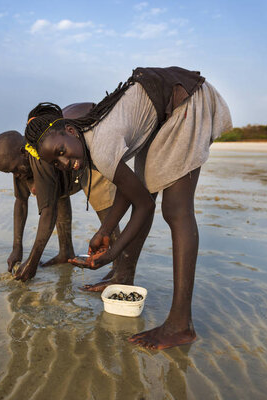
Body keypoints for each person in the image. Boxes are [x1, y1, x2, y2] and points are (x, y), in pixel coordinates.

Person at [24, 66, 232, 349]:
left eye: (61, 152)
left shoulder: (100, 147)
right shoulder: (86, 139)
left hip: (187, 100)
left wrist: (113, 253)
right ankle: (124, 276)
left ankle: (181, 324)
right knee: (147, 185)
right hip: (164, 114)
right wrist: (106, 229)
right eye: (57, 162)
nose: (65, 163)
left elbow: (143, 205)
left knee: (175, 210)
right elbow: (130, 189)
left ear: (70, 130)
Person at [0, 103, 147, 284]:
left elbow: (48, 213)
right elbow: (21, 202)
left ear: (24, 152)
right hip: (66, 168)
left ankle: (120, 269)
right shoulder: (20, 166)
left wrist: (32, 262)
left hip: (87, 150)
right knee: (56, 194)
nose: (16, 175)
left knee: (101, 202)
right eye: (10, 173)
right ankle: (66, 251)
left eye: (14, 169)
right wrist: (17, 247)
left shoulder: (38, 158)